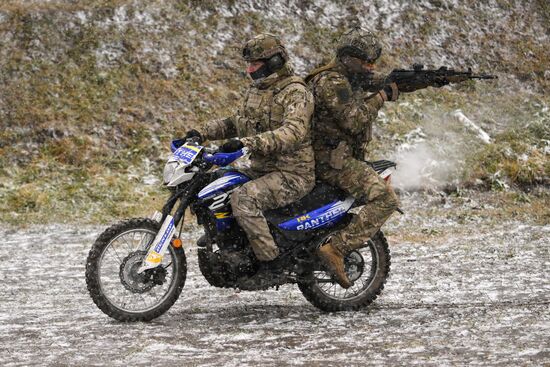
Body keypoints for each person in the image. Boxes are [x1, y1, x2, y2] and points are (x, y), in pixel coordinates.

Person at [185, 33, 315, 263]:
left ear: (274, 61)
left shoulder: (296, 92)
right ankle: (229, 242)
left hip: (293, 173)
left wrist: (246, 143)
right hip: (261, 168)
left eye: (255, 64)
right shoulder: (257, 91)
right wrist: (201, 133)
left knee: (244, 198)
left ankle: (269, 261)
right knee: (210, 184)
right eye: (248, 64)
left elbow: (293, 133)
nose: (250, 69)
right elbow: (236, 122)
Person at [305, 27, 400, 288]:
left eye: (373, 63)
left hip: (333, 157)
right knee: (385, 199)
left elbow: (373, 81)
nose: (370, 68)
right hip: (332, 162)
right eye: (366, 62)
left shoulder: (343, 77)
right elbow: (354, 120)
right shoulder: (332, 82)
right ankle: (337, 248)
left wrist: (404, 82)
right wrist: (382, 96)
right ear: (348, 58)